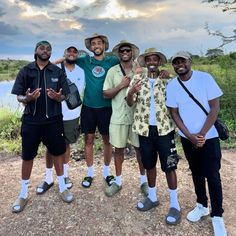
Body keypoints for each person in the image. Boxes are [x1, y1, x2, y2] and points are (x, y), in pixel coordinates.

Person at [166, 51, 227, 236]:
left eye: (182, 61)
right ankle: (201, 205)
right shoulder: (172, 85)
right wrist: (190, 136)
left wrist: (201, 134)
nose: (179, 65)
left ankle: (217, 216)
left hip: (209, 137)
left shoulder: (205, 78)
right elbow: (174, 113)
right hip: (188, 139)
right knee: (197, 173)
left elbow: (215, 107)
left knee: (213, 176)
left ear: (189, 61)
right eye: (175, 62)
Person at [11, 41, 74, 213]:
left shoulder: (57, 71)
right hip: (31, 121)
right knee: (28, 156)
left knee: (58, 153)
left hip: (53, 120)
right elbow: (19, 96)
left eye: (48, 49)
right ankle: (23, 193)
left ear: (51, 52)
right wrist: (28, 98)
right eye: (42, 48)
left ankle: (62, 187)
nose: (45, 51)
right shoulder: (26, 70)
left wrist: (57, 97)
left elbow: (64, 96)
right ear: (36, 51)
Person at [126, 48, 181, 225]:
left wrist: (170, 75)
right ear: (144, 62)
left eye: (155, 59)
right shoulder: (137, 79)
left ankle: (175, 204)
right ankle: (152, 197)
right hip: (144, 130)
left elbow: (177, 101)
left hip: (165, 130)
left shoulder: (167, 80)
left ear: (159, 62)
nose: (151, 62)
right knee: (149, 164)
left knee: (169, 166)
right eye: (148, 59)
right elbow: (129, 102)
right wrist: (131, 92)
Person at [36, 46, 85, 194]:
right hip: (53, 113)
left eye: (74, 52)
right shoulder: (55, 68)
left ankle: (64, 175)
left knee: (66, 145)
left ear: (77, 55)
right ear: (63, 54)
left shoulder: (81, 71)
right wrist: (61, 60)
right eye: (68, 51)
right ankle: (48, 177)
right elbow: (44, 66)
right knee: (50, 147)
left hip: (72, 114)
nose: (71, 54)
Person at [103, 40, 148, 197]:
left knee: (140, 150)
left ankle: (144, 182)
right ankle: (118, 181)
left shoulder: (141, 71)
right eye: (122, 51)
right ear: (118, 54)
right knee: (119, 150)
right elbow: (105, 93)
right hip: (118, 116)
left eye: (128, 50)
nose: (125, 53)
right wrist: (121, 86)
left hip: (137, 117)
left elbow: (152, 86)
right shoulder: (112, 71)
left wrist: (162, 74)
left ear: (133, 53)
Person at [74, 33, 119, 188]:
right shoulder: (85, 60)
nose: (96, 46)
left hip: (106, 107)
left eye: (99, 43)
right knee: (89, 140)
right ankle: (90, 173)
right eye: (93, 44)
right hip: (88, 107)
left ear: (104, 45)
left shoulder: (112, 60)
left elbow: (130, 64)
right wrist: (50, 64)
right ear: (90, 47)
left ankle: (107, 172)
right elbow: (68, 59)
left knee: (107, 140)